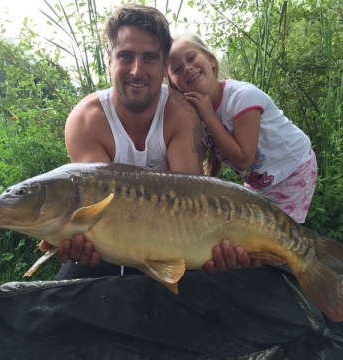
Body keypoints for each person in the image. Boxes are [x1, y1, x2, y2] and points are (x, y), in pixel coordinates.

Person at [39, 5, 251, 279]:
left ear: (164, 67)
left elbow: (190, 207)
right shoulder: (85, 121)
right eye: (125, 56)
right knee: (68, 292)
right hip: (106, 245)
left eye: (149, 58)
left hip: (176, 242)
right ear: (109, 61)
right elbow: (99, 214)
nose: (137, 71)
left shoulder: (181, 113)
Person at [167, 34, 317, 224]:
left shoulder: (242, 97)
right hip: (261, 181)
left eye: (191, 58)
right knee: (250, 228)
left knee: (280, 236)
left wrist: (209, 117)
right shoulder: (193, 113)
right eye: (177, 69)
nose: (187, 68)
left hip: (293, 170)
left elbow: (243, 160)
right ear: (173, 84)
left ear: (211, 60)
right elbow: (194, 151)